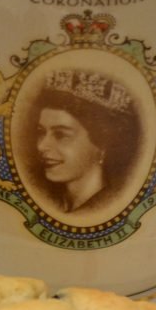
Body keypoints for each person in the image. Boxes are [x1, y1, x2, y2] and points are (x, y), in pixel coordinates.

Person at [28, 69, 140, 214]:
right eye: (41, 132)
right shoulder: (53, 204)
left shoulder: (111, 207)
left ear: (102, 143)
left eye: (61, 135)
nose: (41, 146)